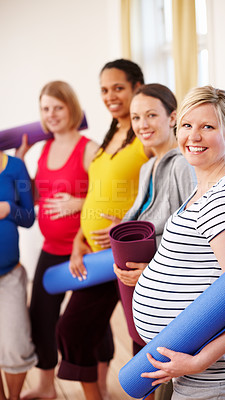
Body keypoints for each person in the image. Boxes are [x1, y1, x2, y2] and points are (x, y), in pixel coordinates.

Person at [132, 85, 225, 400]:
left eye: (208, 126)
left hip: (213, 372)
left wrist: (198, 361)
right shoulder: (208, 181)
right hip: (193, 360)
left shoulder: (222, 201)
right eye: (188, 125)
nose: (193, 135)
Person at [55, 59, 149, 400]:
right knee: (83, 328)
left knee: (137, 334)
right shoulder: (112, 135)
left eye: (118, 88)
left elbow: (158, 191)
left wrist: (128, 227)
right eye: (105, 90)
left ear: (138, 87)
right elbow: (95, 195)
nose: (110, 96)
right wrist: (79, 240)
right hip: (95, 254)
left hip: (124, 253)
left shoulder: (145, 135)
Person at [111, 84, 195, 399]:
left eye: (151, 115)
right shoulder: (149, 166)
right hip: (140, 283)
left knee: (164, 375)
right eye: (135, 117)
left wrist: (152, 269)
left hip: (165, 283)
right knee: (145, 363)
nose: (142, 124)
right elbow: (148, 214)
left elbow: (190, 235)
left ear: (172, 116)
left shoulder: (184, 164)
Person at [19, 81, 99, 400]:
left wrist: (78, 203)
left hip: (85, 250)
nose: (51, 114)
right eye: (45, 108)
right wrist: (22, 161)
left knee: (88, 321)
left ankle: (98, 386)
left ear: (72, 108)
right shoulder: (44, 149)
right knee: (41, 315)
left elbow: (106, 198)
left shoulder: (90, 149)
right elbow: (36, 195)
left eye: (58, 107)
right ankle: (45, 386)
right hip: (50, 249)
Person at [0, 150, 37, 400]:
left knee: (16, 346)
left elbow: (28, 218)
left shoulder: (15, 167)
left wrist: (9, 208)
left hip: (9, 276)